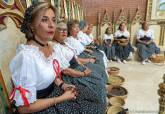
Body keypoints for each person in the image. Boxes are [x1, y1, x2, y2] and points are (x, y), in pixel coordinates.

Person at [9, 2, 103, 114]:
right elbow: (23, 108)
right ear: (31, 25)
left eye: (53, 20)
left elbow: (48, 74)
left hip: (56, 91)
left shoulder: (49, 46)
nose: (52, 25)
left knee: (94, 97)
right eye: (44, 20)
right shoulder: (26, 58)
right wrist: (60, 99)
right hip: (41, 106)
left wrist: (63, 85)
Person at [52, 22, 108, 110]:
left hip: (78, 68)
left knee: (99, 77)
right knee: (97, 86)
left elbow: (76, 58)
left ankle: (104, 96)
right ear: (54, 32)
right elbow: (65, 70)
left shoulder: (64, 43)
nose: (64, 32)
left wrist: (84, 66)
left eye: (65, 30)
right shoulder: (54, 47)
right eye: (61, 30)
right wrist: (83, 74)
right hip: (71, 74)